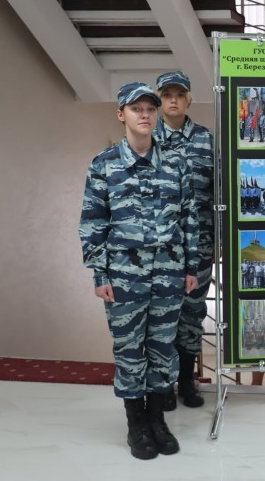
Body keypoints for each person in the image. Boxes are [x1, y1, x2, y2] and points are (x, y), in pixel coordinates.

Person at [79, 82, 200, 460]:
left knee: (164, 346)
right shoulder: (104, 164)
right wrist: (100, 274)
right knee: (129, 349)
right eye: (136, 109)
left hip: (169, 269)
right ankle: (136, 424)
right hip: (124, 272)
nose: (145, 114)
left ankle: (157, 420)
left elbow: (189, 218)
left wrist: (191, 266)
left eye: (150, 108)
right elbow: (93, 221)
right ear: (122, 114)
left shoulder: (176, 163)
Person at [153, 71, 215, 410]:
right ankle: (162, 385)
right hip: (159, 246)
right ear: (159, 100)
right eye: (167, 95)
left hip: (199, 247)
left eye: (179, 94)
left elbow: (219, 193)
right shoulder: (147, 138)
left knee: (192, 313)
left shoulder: (206, 140)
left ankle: (187, 381)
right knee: (161, 316)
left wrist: (218, 241)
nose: (173, 100)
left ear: (189, 100)